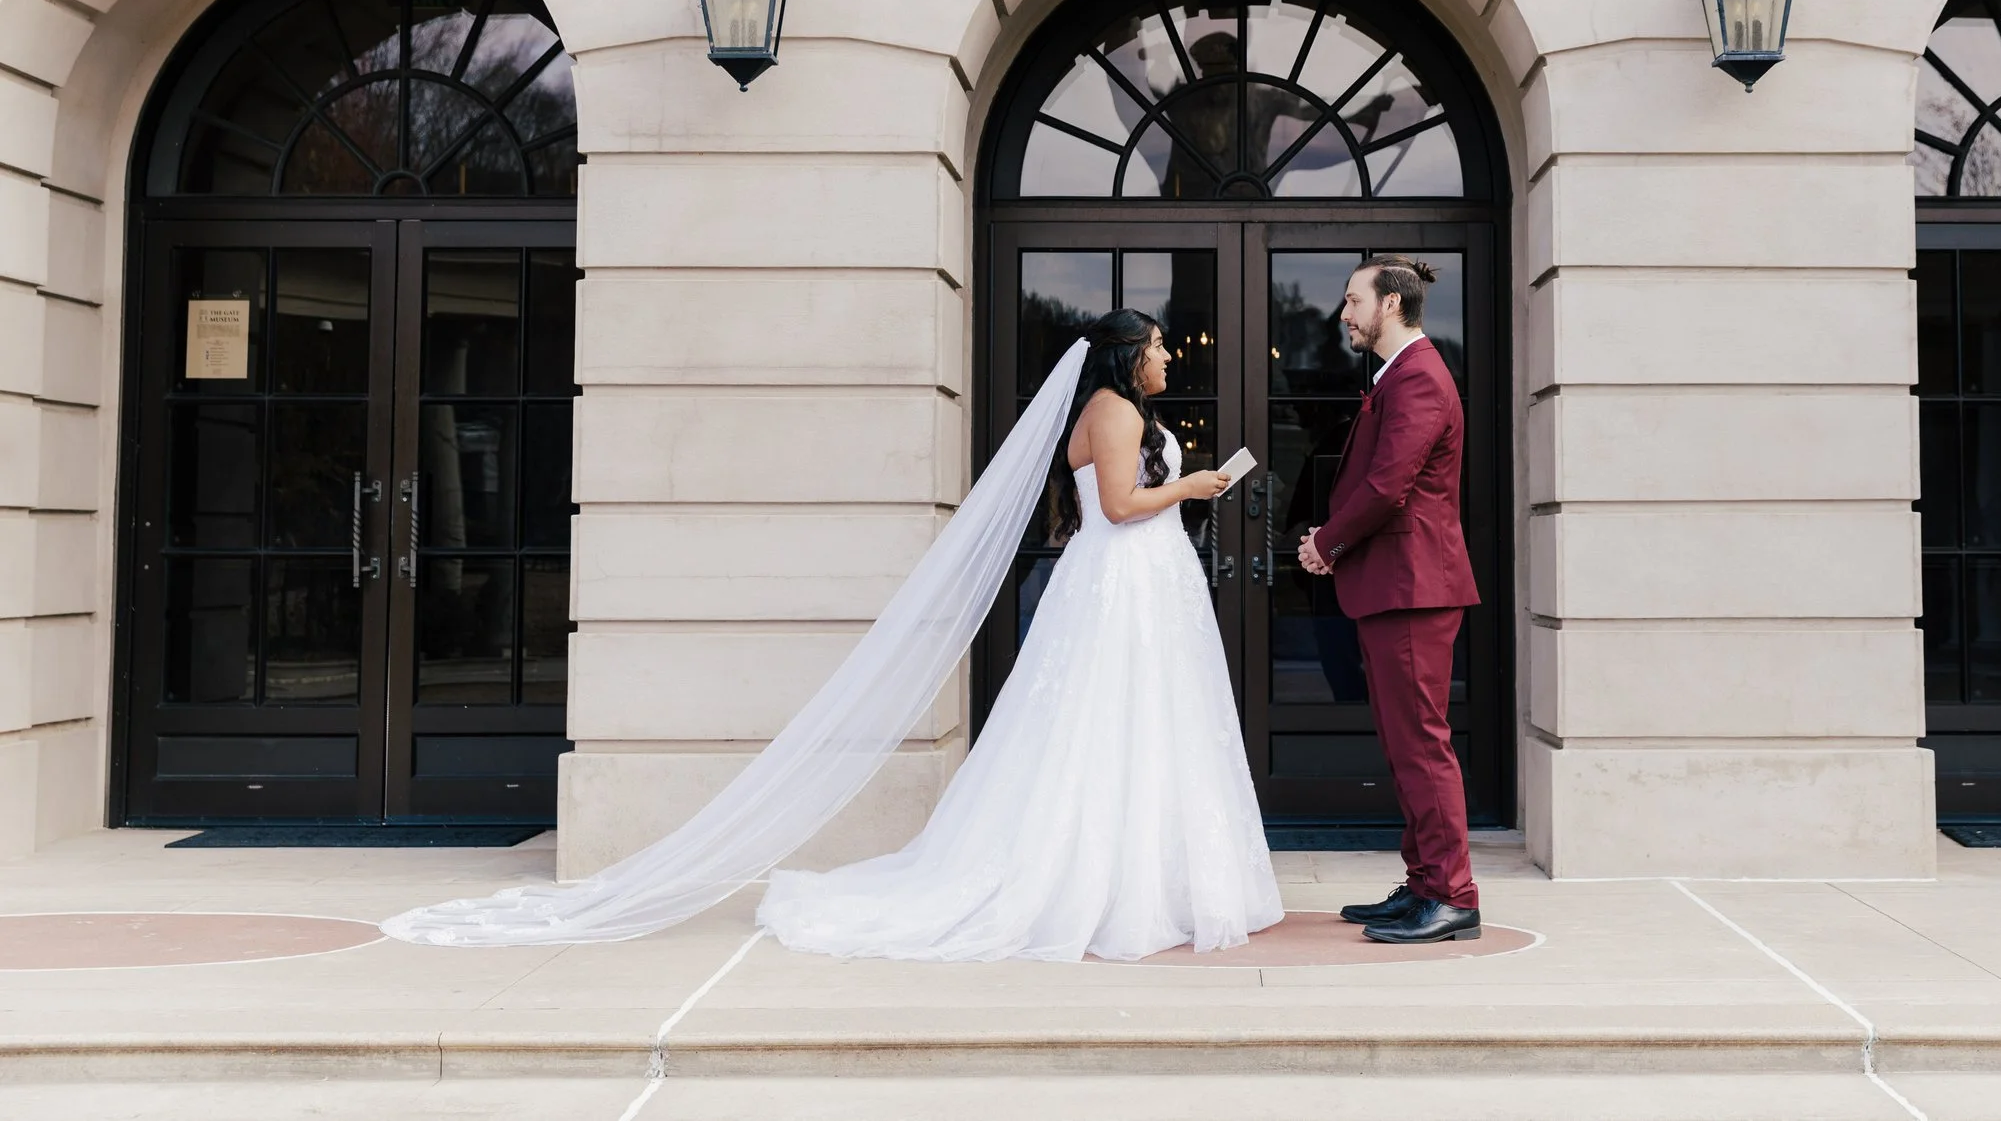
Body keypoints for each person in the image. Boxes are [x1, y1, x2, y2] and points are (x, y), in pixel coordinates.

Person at [384, 311, 1281, 961]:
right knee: (1103, 730)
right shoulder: (1115, 412)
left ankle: (1156, 877)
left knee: (1148, 730)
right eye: (1160, 344)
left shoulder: (1127, 411)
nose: (1168, 354)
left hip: (1147, 589)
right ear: (1130, 355)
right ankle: (1102, 884)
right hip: (1121, 585)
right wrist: (1192, 487)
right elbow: (1122, 506)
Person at [1297, 256, 1481, 944]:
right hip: (1398, 586)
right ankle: (1426, 884)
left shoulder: (1421, 377)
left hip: (1413, 588)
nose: (1342, 314)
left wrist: (1327, 544)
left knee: (1422, 744)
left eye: (1352, 301)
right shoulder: (1399, 375)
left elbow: (1387, 486)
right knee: (1407, 745)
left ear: (1391, 305)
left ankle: (1453, 893)